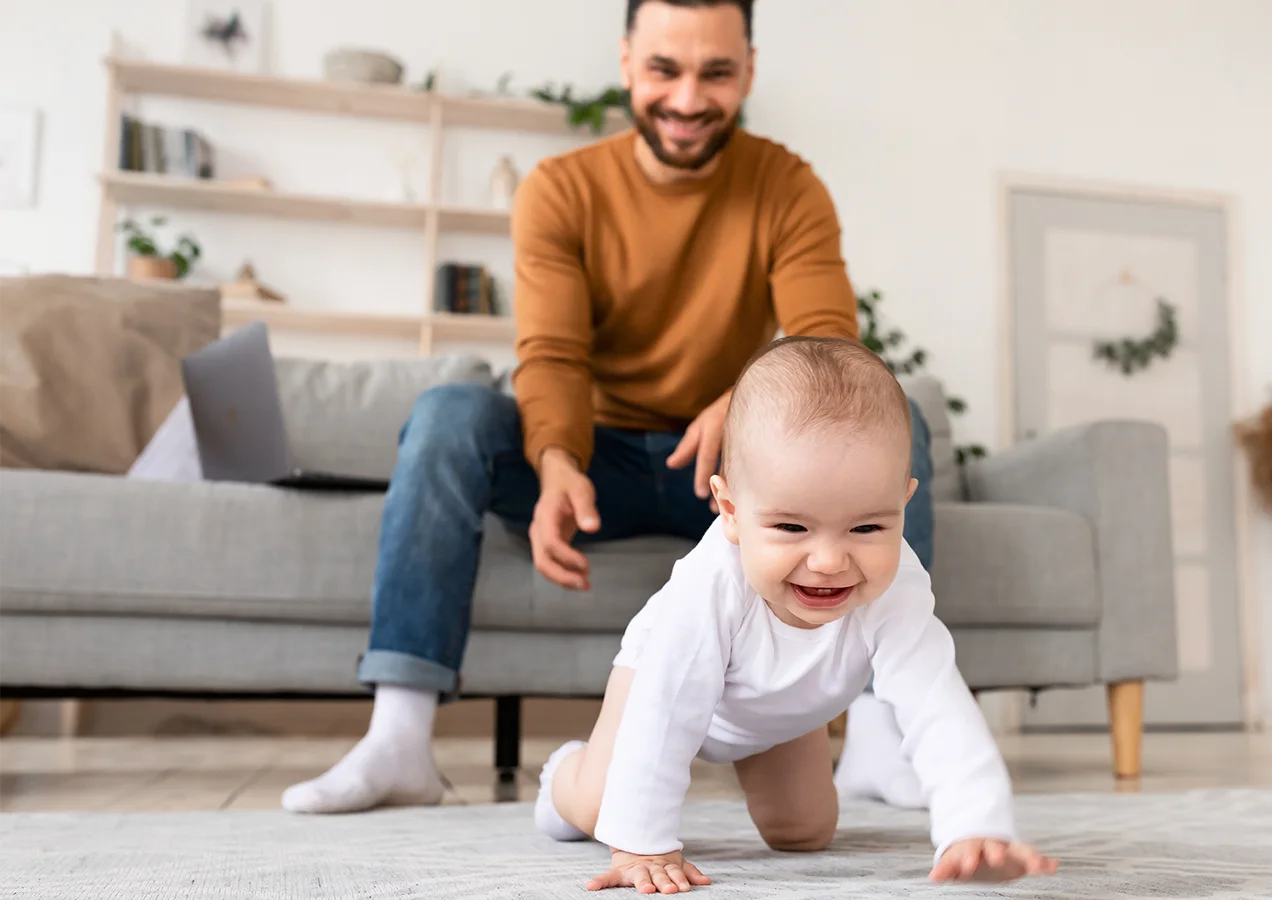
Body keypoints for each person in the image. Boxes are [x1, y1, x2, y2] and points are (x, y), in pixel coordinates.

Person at [282, 0, 931, 815]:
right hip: (601, 462)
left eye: (716, 73)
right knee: (451, 412)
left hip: (730, 469)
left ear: (749, 73)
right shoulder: (561, 189)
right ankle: (399, 740)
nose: (689, 98)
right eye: (665, 69)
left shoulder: (787, 185)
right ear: (627, 64)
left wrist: (736, 405)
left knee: (895, 420)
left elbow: (828, 335)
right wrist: (556, 462)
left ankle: (876, 737)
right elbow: (551, 355)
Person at [534, 337, 1058, 893]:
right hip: (663, 685)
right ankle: (563, 777)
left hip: (782, 708)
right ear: (731, 511)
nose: (830, 561)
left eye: (866, 528)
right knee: (602, 808)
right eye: (791, 528)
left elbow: (936, 699)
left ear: (902, 504)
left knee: (804, 830)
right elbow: (667, 706)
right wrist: (643, 843)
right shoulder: (708, 587)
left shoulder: (897, 584)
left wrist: (974, 826)